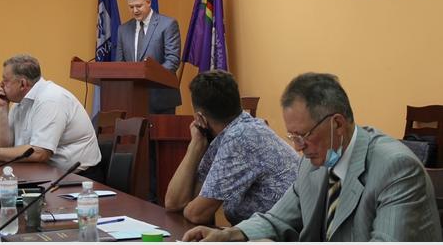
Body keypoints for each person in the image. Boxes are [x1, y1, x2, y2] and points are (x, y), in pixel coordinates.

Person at [182, 72, 441, 242]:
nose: (298, 148)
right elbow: (277, 218)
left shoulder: (396, 168)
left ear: (337, 124)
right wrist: (229, 235)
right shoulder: (314, 162)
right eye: (293, 136)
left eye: (303, 136)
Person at [165, 70, 299, 226]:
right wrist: (195, 146)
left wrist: (195, 145)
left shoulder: (240, 136)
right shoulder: (234, 130)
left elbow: (196, 214)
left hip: (289, 234)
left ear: (200, 118)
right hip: (266, 231)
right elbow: (174, 203)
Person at [0, 54, 102, 179]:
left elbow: (40, 153)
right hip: (41, 174)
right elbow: (4, 148)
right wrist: (2, 108)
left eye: (5, 80)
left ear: (22, 84)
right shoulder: (20, 102)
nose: (1, 85)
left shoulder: (50, 99)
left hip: (78, 179)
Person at [115, 0, 181, 114]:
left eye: (138, 6)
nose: (135, 10)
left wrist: (147, 78)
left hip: (160, 99)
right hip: (132, 98)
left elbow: (172, 60)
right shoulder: (123, 29)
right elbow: (120, 63)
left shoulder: (168, 24)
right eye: (131, 7)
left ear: (149, 2)